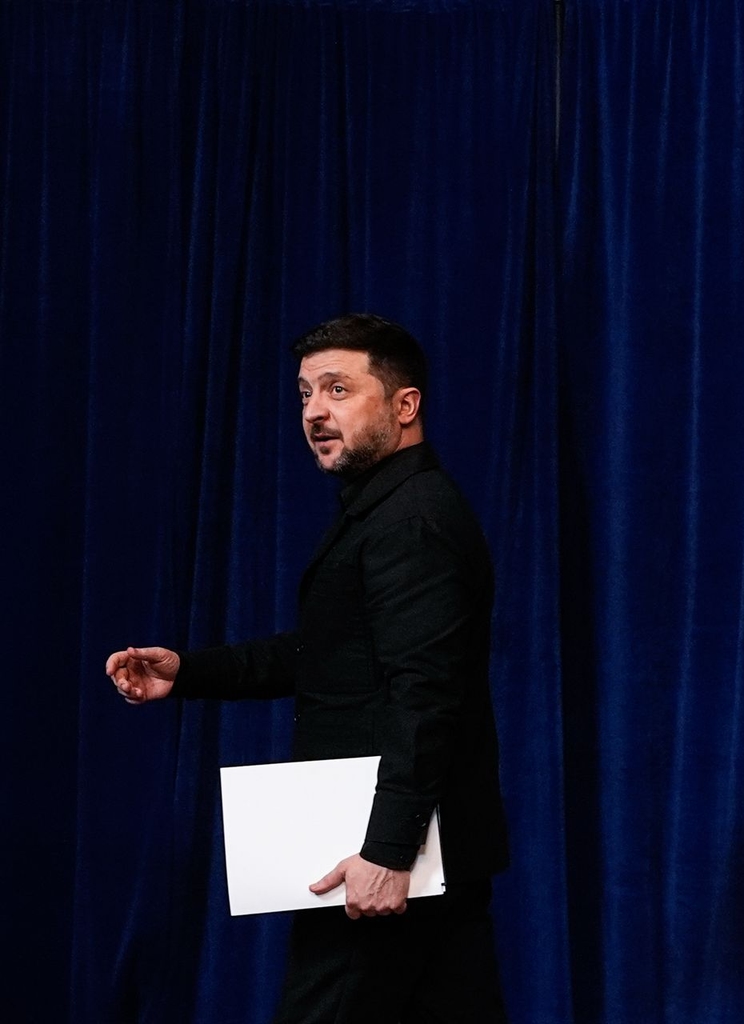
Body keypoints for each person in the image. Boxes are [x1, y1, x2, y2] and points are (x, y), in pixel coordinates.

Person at [106, 314, 509, 1022]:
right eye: (303, 394)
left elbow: (427, 695)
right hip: (421, 857)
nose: (315, 411)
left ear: (404, 405)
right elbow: (331, 655)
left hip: (389, 861)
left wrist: (386, 852)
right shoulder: (384, 512)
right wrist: (188, 671)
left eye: (337, 389)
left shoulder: (411, 520)